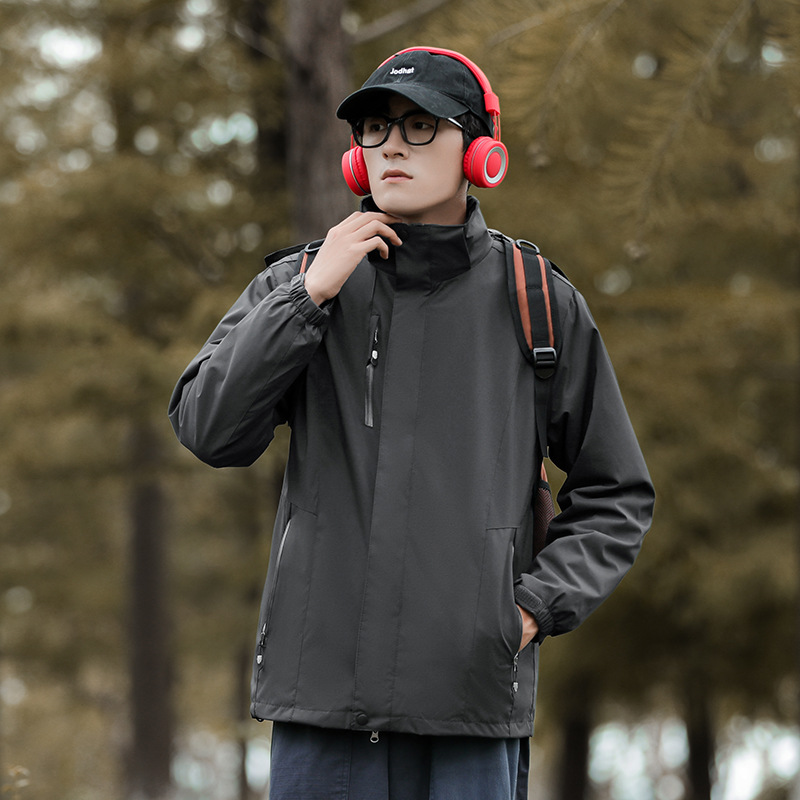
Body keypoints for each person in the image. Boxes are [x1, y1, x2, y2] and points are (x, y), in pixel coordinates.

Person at [168, 46, 655, 800]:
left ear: (480, 152)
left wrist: (529, 609)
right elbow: (208, 428)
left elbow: (617, 492)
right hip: (320, 711)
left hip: (467, 710)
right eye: (374, 127)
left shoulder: (539, 300)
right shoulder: (296, 285)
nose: (391, 143)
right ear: (355, 158)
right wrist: (309, 298)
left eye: (420, 124)